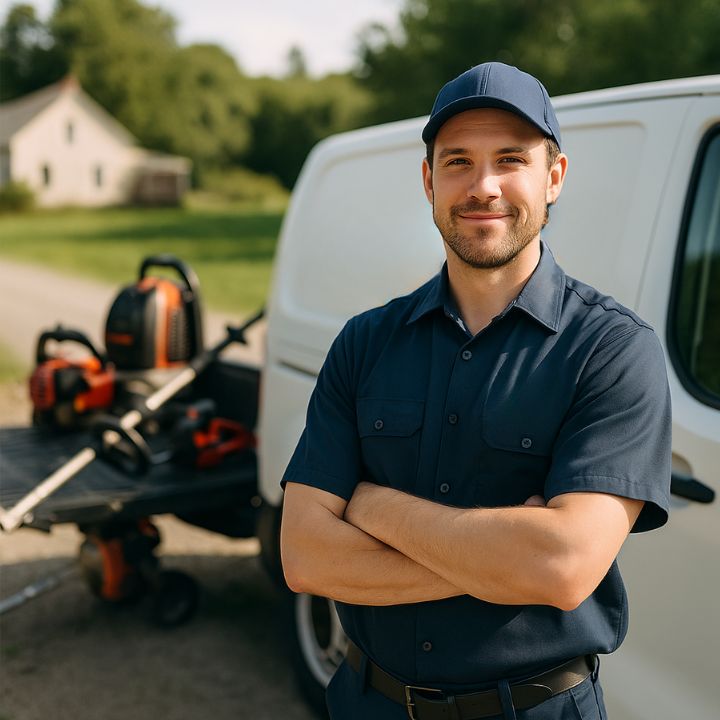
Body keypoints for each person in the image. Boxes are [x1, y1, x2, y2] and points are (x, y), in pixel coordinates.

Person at [280, 62, 671, 720]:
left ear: (554, 178)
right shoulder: (364, 344)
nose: (483, 186)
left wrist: (372, 510)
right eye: (458, 161)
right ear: (430, 181)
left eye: (510, 159)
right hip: (365, 703)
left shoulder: (612, 352)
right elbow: (305, 557)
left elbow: (564, 569)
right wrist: (507, 561)